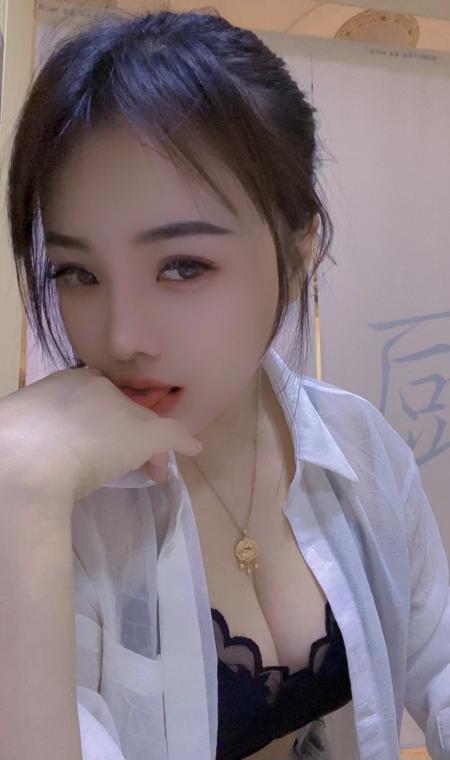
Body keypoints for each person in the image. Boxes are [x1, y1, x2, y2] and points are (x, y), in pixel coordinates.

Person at [1, 7, 449, 760]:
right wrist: (16, 488)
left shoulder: (357, 445)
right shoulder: (56, 519)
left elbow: (438, 659)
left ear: (298, 252)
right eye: (77, 273)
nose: (122, 338)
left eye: (183, 266)